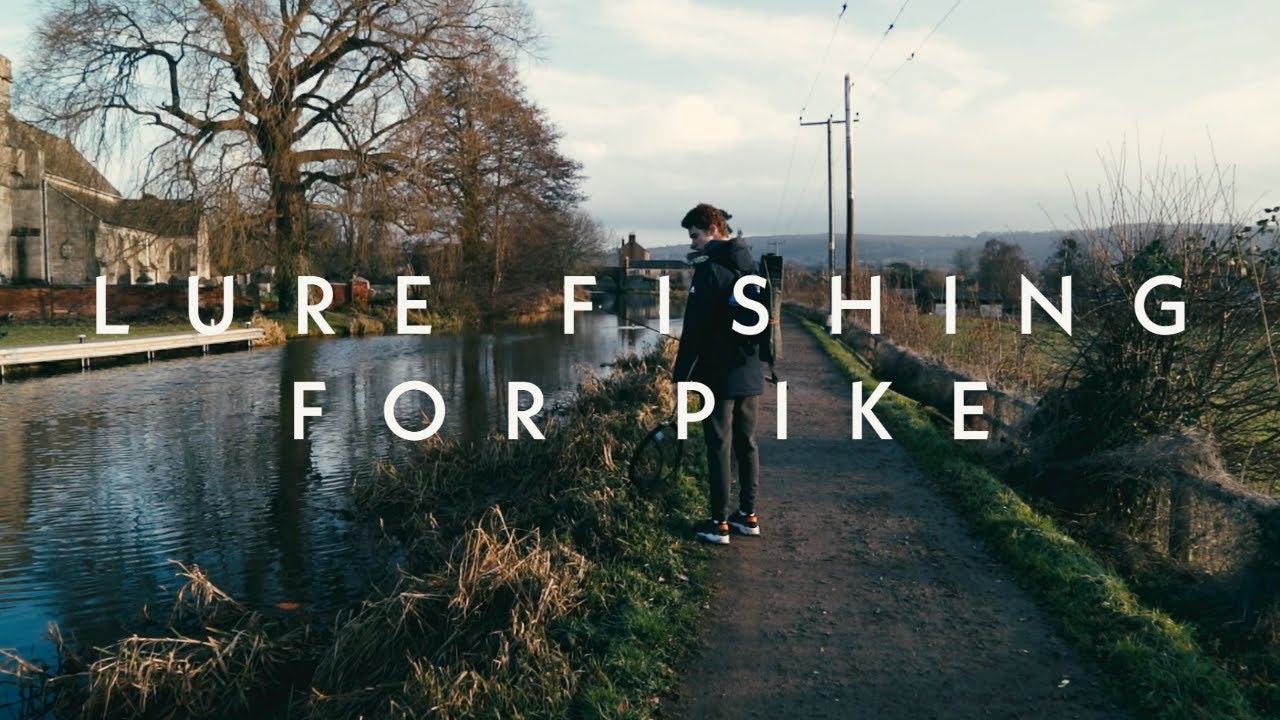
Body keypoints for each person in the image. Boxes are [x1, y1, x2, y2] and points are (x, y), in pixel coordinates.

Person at [673, 203, 767, 545]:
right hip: (751, 370)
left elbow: (694, 331)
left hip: (718, 374)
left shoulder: (710, 270)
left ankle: (719, 524)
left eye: (695, 235)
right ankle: (748, 516)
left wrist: (680, 375)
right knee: (747, 443)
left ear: (713, 229)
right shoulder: (752, 266)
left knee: (718, 445)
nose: (693, 243)